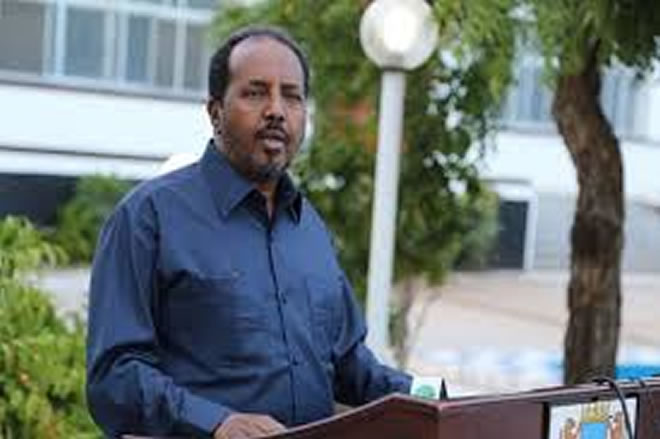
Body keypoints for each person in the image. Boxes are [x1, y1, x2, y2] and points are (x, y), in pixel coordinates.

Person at [86, 25, 412, 439]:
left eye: (292, 96)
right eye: (255, 93)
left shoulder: (309, 228)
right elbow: (113, 377)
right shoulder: (148, 218)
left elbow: (351, 367)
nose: (276, 110)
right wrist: (216, 422)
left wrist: (435, 396)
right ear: (215, 113)